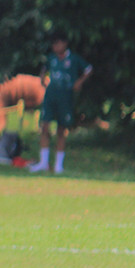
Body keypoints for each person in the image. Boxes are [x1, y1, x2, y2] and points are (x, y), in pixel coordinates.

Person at [30, 32, 93, 174]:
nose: (55, 47)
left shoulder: (74, 59)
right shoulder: (51, 58)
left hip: (65, 96)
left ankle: (59, 165)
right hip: (51, 95)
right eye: (53, 44)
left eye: (57, 43)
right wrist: (42, 78)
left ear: (64, 44)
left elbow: (89, 69)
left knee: (61, 129)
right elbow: (44, 68)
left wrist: (79, 82)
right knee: (45, 126)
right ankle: (43, 163)